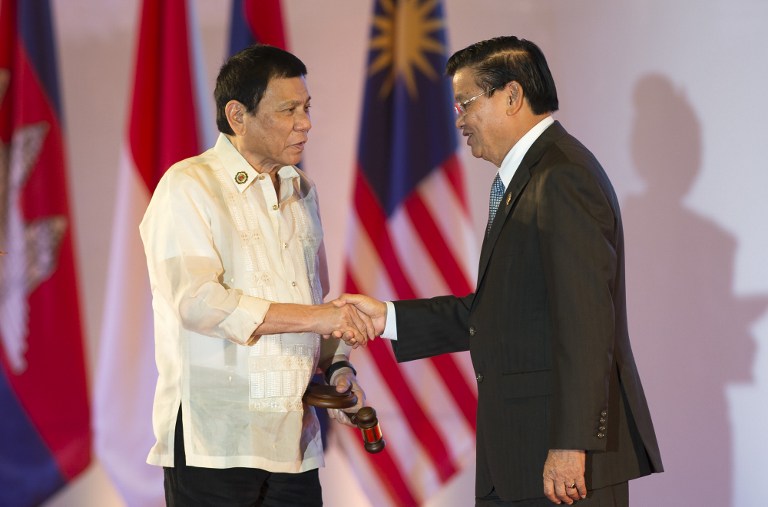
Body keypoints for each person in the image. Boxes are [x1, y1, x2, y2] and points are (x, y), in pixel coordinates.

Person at [339, 36, 663, 506]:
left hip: (563, 464)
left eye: (465, 103)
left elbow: (587, 321)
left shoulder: (562, 177)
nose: (459, 120)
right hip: (516, 455)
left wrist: (572, 444)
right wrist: (385, 317)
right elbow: (495, 314)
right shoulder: (527, 179)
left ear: (511, 97)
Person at [139, 44, 372, 506]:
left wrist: (339, 365)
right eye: (288, 110)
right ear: (237, 115)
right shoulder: (188, 185)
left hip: (294, 443)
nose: (305, 122)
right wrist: (318, 318)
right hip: (215, 444)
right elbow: (198, 302)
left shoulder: (303, 190)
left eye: (307, 108)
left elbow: (314, 301)